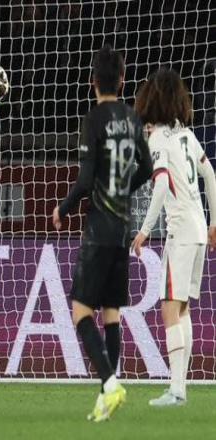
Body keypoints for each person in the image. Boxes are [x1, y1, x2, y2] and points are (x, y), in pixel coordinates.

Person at [52, 45, 153, 422]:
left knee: (80, 310)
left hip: (98, 229)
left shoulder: (94, 119)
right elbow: (147, 167)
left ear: (93, 81)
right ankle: (106, 397)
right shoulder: (132, 117)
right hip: (123, 229)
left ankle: (110, 384)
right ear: (122, 80)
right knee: (111, 312)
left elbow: (84, 180)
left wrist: (62, 208)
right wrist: (124, 189)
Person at [131, 68, 216, 406]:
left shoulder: (158, 140)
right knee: (182, 310)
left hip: (180, 232)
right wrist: (214, 222)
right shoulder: (187, 136)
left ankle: (177, 390)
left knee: (169, 309)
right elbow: (210, 175)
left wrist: (144, 230)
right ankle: (180, 387)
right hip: (199, 230)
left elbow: (163, 184)